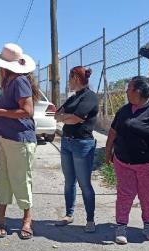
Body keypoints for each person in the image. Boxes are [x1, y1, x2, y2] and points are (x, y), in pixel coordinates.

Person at [105, 76, 149, 244]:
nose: (126, 91)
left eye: (129, 88)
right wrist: (108, 151)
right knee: (124, 195)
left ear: (138, 91)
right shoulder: (124, 110)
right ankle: (121, 226)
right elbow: (113, 131)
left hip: (146, 164)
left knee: (148, 196)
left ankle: (148, 225)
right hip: (123, 162)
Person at [0, 43, 39, 239]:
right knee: (4, 179)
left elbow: (27, 111)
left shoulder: (19, 81)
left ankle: (27, 220)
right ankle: (1, 219)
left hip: (19, 140)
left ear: (4, 66)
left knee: (21, 180)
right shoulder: (8, 82)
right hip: (4, 138)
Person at [54, 66, 98, 233]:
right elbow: (58, 114)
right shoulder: (74, 98)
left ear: (76, 79)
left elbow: (75, 118)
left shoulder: (90, 97)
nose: (68, 82)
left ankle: (90, 219)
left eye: (70, 78)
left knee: (84, 184)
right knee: (69, 182)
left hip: (82, 145)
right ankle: (68, 214)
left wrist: (65, 118)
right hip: (66, 143)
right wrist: (66, 117)